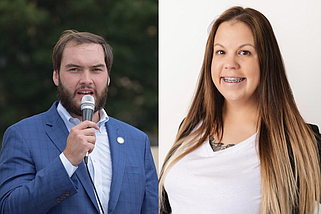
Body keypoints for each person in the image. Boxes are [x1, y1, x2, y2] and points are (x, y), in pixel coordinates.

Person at [159, 6, 321, 214]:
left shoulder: (298, 142)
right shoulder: (190, 127)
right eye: (220, 52)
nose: (230, 64)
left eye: (244, 52)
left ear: (266, 61)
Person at [0, 30, 158, 214]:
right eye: (74, 69)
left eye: (96, 70)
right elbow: (10, 208)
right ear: (56, 76)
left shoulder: (137, 141)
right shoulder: (23, 135)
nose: (86, 80)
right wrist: (67, 161)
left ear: (108, 78)